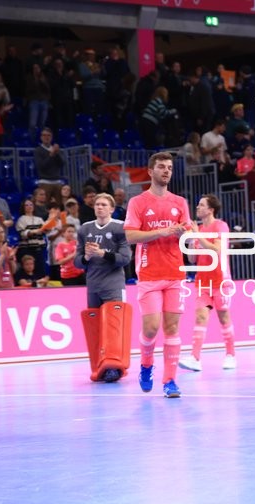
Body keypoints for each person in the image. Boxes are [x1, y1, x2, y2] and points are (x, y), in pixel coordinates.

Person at [124, 152, 192, 398]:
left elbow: (186, 235)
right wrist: (163, 232)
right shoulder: (138, 202)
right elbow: (131, 236)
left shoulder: (180, 202)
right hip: (149, 274)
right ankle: (145, 365)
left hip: (175, 272)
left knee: (172, 328)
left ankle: (170, 381)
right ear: (150, 171)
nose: (166, 171)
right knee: (151, 329)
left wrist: (187, 233)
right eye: (162, 167)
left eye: (170, 168)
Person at [75, 192, 132, 382]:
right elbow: (77, 262)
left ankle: (115, 367)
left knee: (114, 326)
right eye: (97, 204)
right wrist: (87, 257)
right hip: (93, 285)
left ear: (112, 209)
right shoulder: (84, 229)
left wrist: (103, 254)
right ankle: (99, 364)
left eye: (104, 205)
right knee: (95, 326)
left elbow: (125, 259)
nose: (99, 207)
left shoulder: (120, 227)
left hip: (113, 285)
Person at [178, 194, 237, 372]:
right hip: (203, 281)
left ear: (211, 209)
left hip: (221, 279)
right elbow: (192, 258)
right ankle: (195, 358)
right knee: (200, 317)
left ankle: (231, 355)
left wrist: (198, 236)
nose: (197, 207)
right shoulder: (199, 229)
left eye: (201, 205)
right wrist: (188, 241)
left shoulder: (221, 226)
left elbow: (217, 249)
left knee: (223, 317)